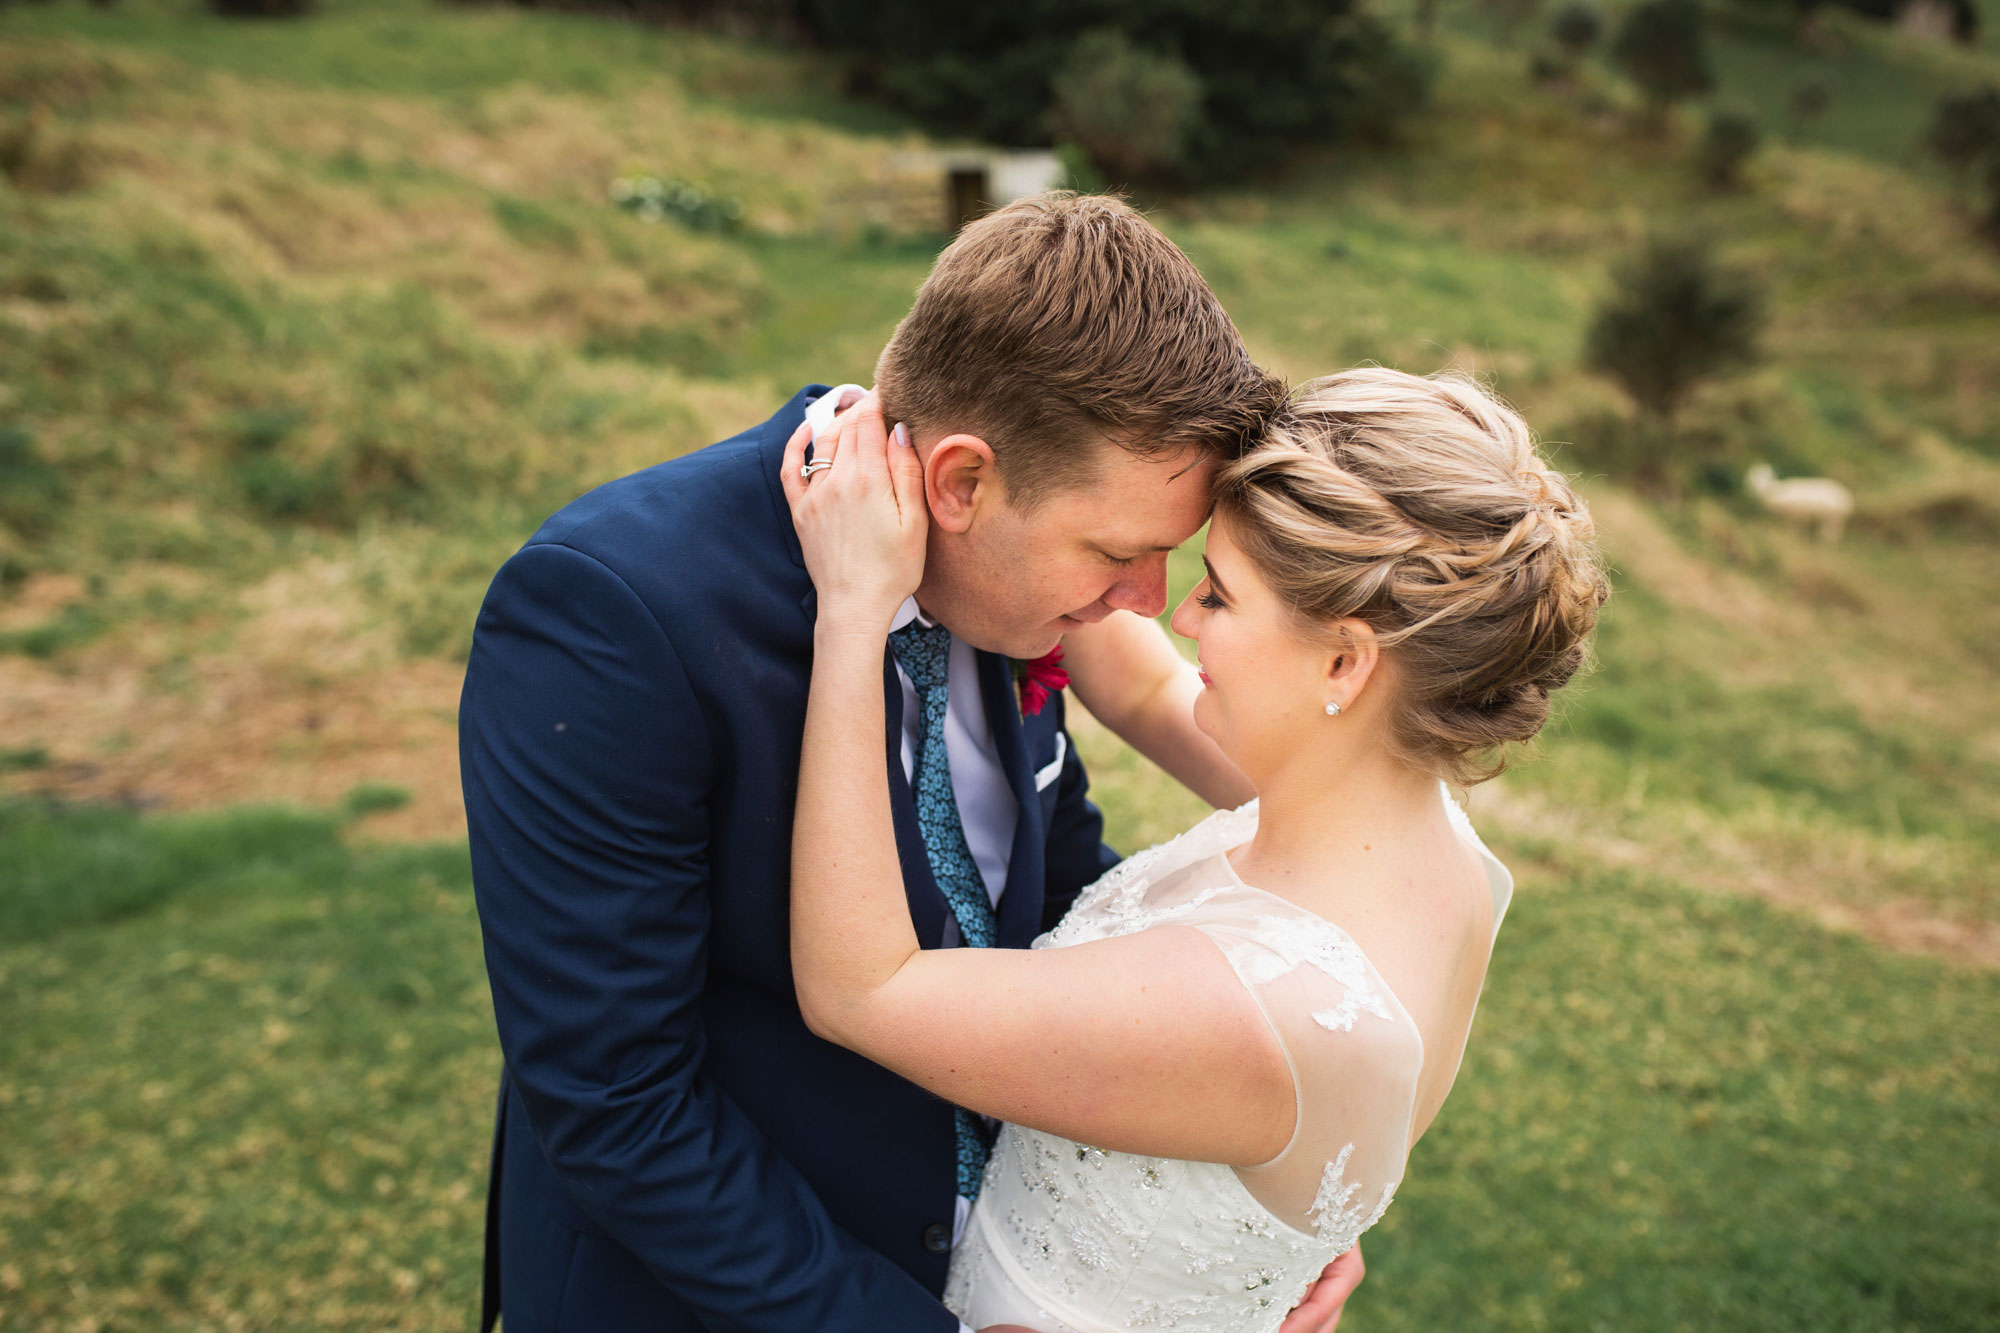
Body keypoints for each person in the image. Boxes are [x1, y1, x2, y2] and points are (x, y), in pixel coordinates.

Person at [458, 191, 1362, 1332]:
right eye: (1121, 553)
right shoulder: (610, 614)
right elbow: (617, 1103)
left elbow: (1053, 904)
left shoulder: (1000, 592)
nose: (1147, 604)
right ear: (960, 483)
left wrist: (1252, 1201)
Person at [782, 366, 1609, 1332]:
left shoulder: (1251, 1011)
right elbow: (1140, 689)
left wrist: (851, 605)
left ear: (1343, 661)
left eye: (1217, 594)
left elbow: (860, 989)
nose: (1171, 613)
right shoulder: (1413, 835)